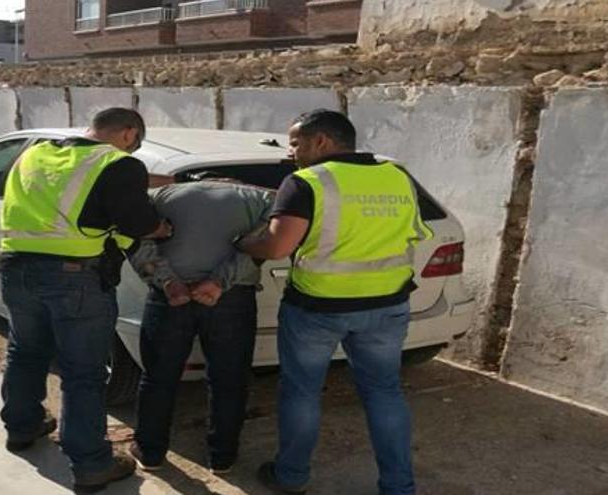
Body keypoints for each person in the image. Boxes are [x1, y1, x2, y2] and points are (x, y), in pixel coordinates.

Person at [238, 110, 432, 495]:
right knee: (384, 392)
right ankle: (399, 487)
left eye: (296, 142)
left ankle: (291, 477)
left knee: (302, 392)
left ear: (322, 141)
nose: (292, 151)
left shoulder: (306, 182)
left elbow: (277, 246)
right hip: (386, 305)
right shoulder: (397, 176)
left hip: (318, 308)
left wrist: (242, 243)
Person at [0, 108, 172, 492]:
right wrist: (163, 227)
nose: (134, 151)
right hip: (73, 277)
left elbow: (82, 188)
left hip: (15, 266)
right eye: (136, 144)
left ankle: (22, 427)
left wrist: (165, 181)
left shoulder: (37, 152)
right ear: (128, 133)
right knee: (83, 372)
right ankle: (92, 463)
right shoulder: (118, 163)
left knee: (25, 351)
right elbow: (138, 223)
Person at [126, 180, 274, 475]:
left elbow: (135, 235)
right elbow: (268, 241)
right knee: (229, 380)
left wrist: (168, 281)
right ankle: (222, 458)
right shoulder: (261, 198)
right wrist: (220, 281)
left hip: (170, 298)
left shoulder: (160, 195)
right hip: (230, 299)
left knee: (158, 377)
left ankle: (150, 452)